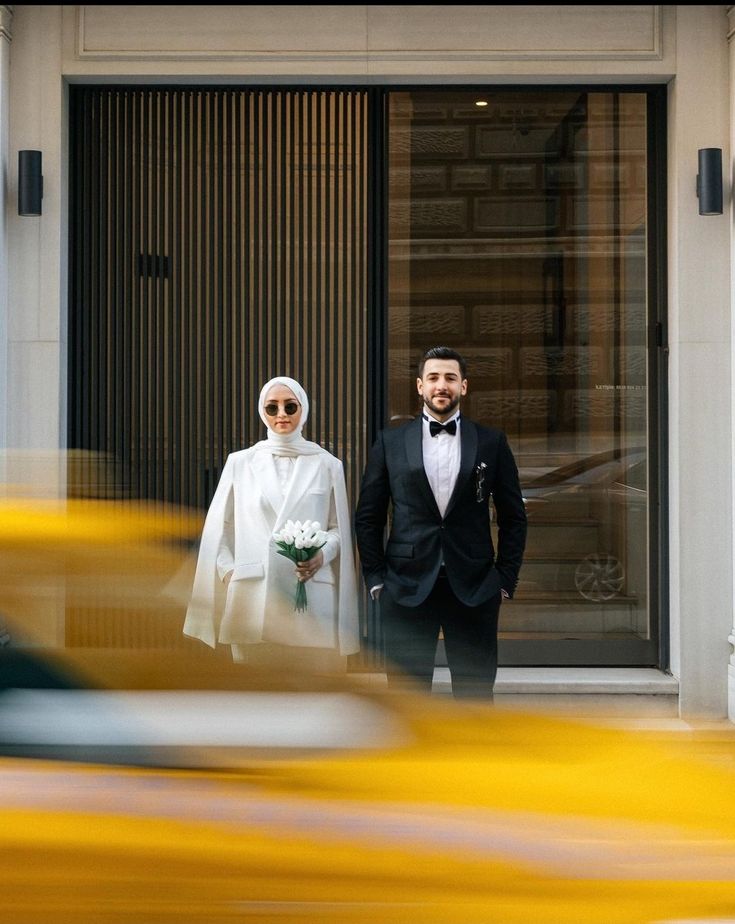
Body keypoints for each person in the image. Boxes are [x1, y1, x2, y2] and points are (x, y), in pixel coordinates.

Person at [355, 346, 527, 698]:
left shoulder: (491, 443)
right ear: (420, 386)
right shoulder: (390, 443)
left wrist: (504, 579)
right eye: (433, 377)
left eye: (450, 378)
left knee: (475, 699)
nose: (441, 385)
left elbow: (513, 517)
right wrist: (375, 579)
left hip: (475, 586)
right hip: (404, 587)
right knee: (406, 700)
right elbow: (368, 516)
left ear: (464, 386)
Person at [183, 376, 360, 664]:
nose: (281, 415)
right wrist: (229, 572)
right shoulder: (240, 462)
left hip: (310, 596)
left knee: (311, 698)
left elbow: (337, 527)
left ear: (303, 410)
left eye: (290, 407)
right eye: (272, 407)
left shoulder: (328, 464)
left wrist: (321, 555)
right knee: (255, 699)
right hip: (250, 595)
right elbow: (219, 529)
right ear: (261, 411)